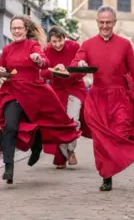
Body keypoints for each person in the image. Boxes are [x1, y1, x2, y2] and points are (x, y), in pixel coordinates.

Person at [57, 5, 134, 191]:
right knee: (101, 140)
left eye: (108, 22)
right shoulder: (88, 44)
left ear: (114, 23)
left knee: (121, 132)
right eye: (101, 22)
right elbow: (76, 66)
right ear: (97, 23)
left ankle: (124, 157)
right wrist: (80, 64)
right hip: (98, 97)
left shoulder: (125, 45)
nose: (105, 26)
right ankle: (106, 176)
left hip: (120, 97)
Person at [0, 15, 80, 184]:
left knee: (40, 122)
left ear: (25, 30)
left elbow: (45, 61)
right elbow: (0, 67)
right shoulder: (7, 49)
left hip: (33, 91)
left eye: (20, 28)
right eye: (14, 29)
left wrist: (39, 59)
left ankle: (37, 145)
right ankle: (9, 167)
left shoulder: (32, 45)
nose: (17, 31)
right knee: (10, 126)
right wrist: (0, 69)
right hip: (13, 91)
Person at [42, 26, 86, 169]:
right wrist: (54, 71)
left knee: (74, 120)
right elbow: (43, 72)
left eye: (60, 41)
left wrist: (68, 70)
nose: (57, 45)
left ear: (64, 38)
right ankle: (64, 154)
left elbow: (81, 70)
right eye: (54, 42)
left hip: (75, 88)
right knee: (60, 123)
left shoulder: (74, 46)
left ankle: (70, 150)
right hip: (58, 90)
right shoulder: (47, 50)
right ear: (50, 41)